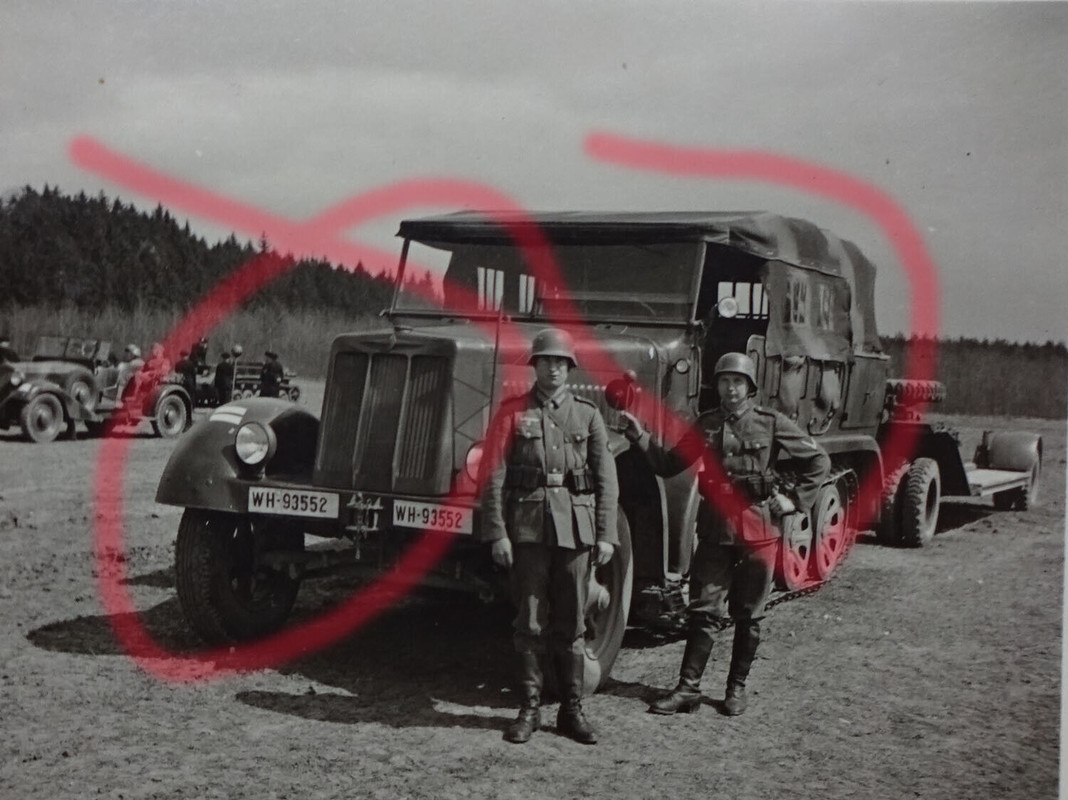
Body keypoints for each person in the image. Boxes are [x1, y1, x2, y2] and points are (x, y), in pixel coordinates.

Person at [621, 352, 830, 716]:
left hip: (758, 530)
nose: (731, 389)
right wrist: (639, 437)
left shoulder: (771, 422)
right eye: (724, 381)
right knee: (704, 611)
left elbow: (818, 461)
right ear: (716, 385)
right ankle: (688, 689)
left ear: (750, 388)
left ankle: (736, 689)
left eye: (738, 382)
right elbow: (668, 464)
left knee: (749, 615)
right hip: (716, 529)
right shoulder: (707, 424)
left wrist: (794, 500)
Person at [481, 328, 619, 745]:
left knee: (573, 621)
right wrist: (497, 533)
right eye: (545, 362)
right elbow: (493, 477)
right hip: (527, 532)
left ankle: (571, 711)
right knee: (530, 620)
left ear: (569, 369)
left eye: (560, 363)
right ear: (534, 367)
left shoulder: (588, 415)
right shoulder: (510, 413)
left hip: (575, 533)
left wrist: (606, 535)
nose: (552, 368)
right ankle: (529, 709)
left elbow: (605, 480)